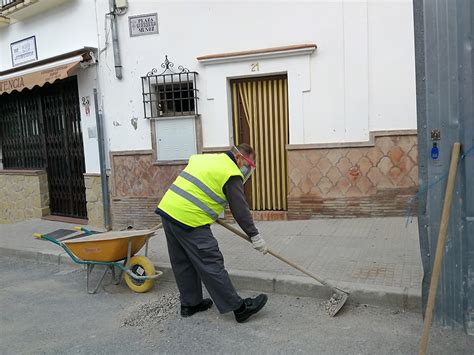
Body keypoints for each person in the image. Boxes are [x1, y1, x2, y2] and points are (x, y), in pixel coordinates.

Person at [155, 143, 268, 323]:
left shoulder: (208, 159)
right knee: (211, 262)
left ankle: (190, 304)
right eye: (249, 164)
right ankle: (240, 309)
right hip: (190, 219)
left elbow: (199, 187)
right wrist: (255, 236)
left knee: (182, 262)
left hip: (168, 212)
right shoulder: (231, 172)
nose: (248, 169)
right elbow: (240, 210)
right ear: (238, 158)